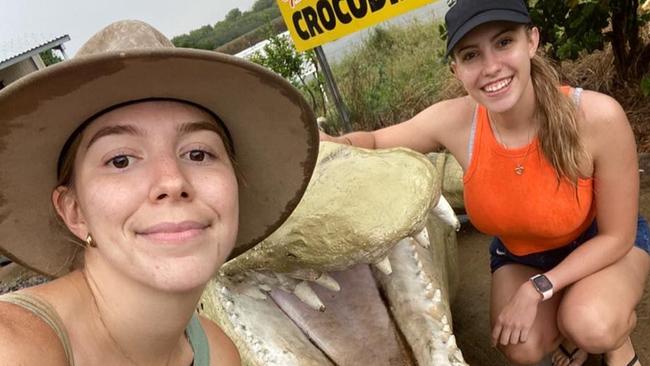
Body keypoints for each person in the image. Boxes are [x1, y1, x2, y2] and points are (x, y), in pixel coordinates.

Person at [321, 0, 650, 365]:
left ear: (532, 41)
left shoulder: (597, 117)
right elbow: (377, 141)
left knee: (591, 322)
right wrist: (327, 144)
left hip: (599, 242)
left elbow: (616, 237)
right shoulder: (456, 121)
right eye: (471, 55)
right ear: (456, 69)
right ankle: (569, 320)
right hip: (524, 254)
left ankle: (613, 340)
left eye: (504, 42)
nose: (491, 67)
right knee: (519, 346)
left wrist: (539, 288)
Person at [0, 20, 318, 365]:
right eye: (120, 160)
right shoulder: (16, 347)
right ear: (74, 211)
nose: (172, 182)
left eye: (198, 154)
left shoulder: (218, 353)